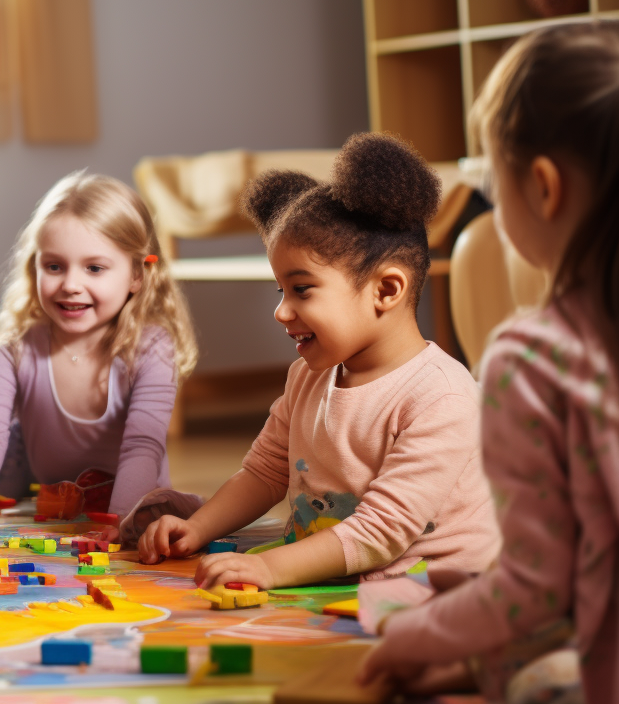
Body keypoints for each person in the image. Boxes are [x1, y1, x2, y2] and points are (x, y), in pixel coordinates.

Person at [359, 22, 619, 702]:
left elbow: (536, 591)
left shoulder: (535, 360)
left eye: (493, 185)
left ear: (542, 187)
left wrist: (415, 635)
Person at [138, 132, 499, 590]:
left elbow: (381, 531)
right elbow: (263, 473)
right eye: (280, 290)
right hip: (339, 573)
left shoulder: (443, 398)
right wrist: (198, 527)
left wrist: (269, 568)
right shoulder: (308, 377)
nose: (281, 311)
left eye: (302, 289)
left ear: (386, 290)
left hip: (435, 589)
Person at [0, 171, 200, 538]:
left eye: (94, 268)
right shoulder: (15, 348)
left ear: (137, 275)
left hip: (130, 508)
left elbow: (143, 444)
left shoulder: (151, 347)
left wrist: (118, 523)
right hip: (53, 505)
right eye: (54, 266)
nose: (70, 284)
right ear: (33, 266)